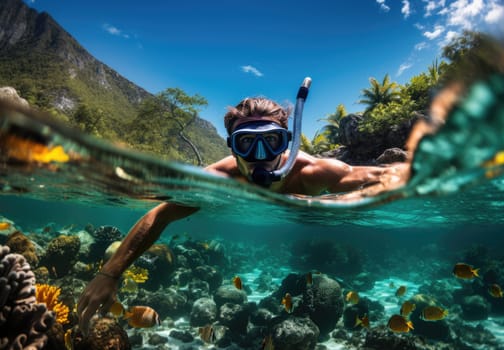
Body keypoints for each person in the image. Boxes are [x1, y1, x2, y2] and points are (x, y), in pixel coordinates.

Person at [77, 97, 410, 333]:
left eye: (272, 142)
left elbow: (375, 177)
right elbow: (161, 213)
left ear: (288, 144)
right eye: (247, 144)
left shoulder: (311, 172)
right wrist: (109, 274)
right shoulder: (219, 179)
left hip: (317, 212)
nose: (261, 157)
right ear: (232, 148)